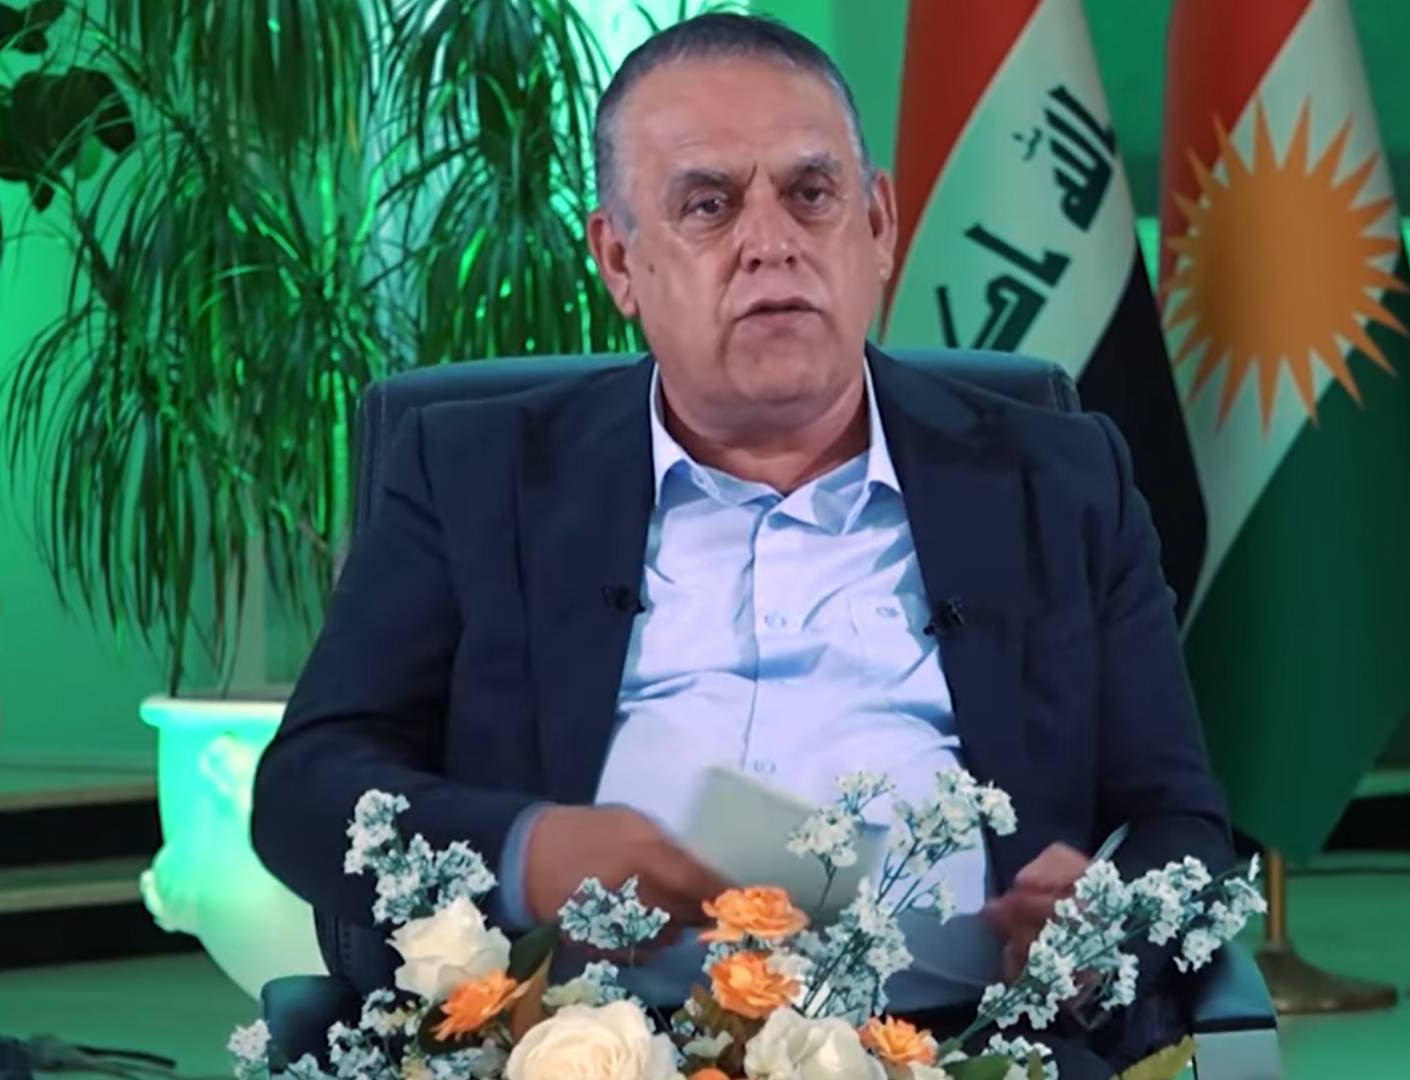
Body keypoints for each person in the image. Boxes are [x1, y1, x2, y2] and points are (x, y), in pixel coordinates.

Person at [252, 13, 1233, 1075]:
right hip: (583, 1051)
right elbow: (307, 790)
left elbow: (1179, 821)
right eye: (708, 205)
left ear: (878, 224)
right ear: (620, 260)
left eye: (811, 194)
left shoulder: (1060, 480)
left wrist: (1102, 924)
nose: (771, 241)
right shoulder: (477, 476)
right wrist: (531, 853)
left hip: (965, 1052)